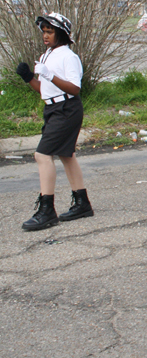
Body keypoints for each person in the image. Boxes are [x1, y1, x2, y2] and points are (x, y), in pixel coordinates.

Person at [15, 13, 93, 231]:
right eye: (44, 31)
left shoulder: (68, 57)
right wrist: (29, 77)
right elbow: (44, 90)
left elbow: (75, 88)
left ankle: (47, 210)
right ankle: (82, 203)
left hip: (67, 109)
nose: (45, 36)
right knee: (66, 155)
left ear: (61, 34)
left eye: (50, 32)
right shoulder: (48, 55)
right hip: (52, 108)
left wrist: (49, 75)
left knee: (41, 155)